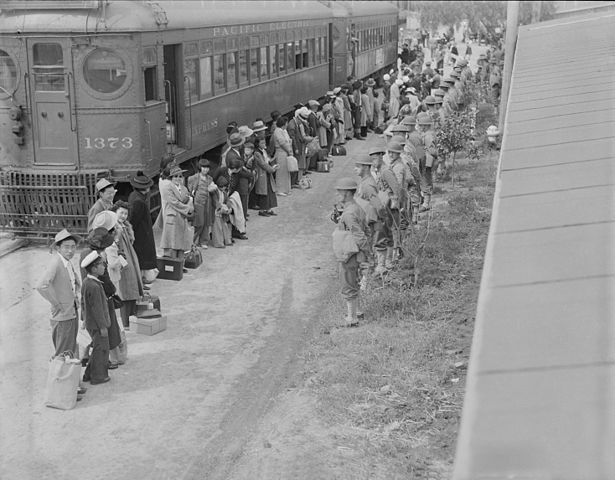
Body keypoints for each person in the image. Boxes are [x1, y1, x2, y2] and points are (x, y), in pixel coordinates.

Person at [36, 229, 82, 358]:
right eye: (66, 247)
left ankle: (69, 376)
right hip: (63, 314)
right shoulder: (56, 263)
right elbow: (41, 285)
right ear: (58, 248)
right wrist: (56, 303)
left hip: (71, 310)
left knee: (70, 346)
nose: (70, 251)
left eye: (73, 247)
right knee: (63, 351)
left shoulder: (66, 262)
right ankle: (61, 376)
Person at [331, 178, 370, 328]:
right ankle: (357, 311)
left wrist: (366, 252)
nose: (338, 193)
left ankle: (352, 318)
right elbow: (365, 229)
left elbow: (359, 234)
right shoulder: (356, 207)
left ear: (347, 193)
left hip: (350, 252)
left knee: (348, 282)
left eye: (340, 191)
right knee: (354, 280)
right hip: (355, 251)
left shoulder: (348, 213)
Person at [108, 201, 143, 330]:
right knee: (125, 290)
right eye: (121, 212)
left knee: (132, 286)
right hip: (121, 259)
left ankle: (131, 318)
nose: (123, 216)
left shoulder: (126, 226)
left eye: (126, 213)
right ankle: (125, 321)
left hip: (130, 256)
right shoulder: (114, 227)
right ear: (115, 213)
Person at [80, 251, 111, 385]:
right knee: (101, 350)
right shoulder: (94, 286)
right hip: (98, 325)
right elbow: (97, 309)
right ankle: (98, 376)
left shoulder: (87, 282)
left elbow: (84, 304)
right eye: (101, 264)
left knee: (97, 348)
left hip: (91, 323)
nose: (104, 267)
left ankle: (88, 374)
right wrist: (103, 326)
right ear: (94, 268)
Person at [157, 165, 194, 259]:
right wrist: (187, 208)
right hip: (172, 218)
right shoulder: (167, 187)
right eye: (176, 176)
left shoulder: (184, 188)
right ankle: (173, 265)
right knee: (172, 244)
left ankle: (180, 265)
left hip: (181, 218)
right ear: (171, 178)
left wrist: (190, 203)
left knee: (181, 243)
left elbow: (186, 199)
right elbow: (174, 202)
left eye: (180, 176)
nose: (178, 178)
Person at [127, 173, 157, 285]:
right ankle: (141, 280)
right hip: (141, 233)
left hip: (140, 231)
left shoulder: (133, 195)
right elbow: (134, 220)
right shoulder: (139, 201)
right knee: (142, 257)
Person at [188, 158, 215, 247]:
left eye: (207, 168)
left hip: (207, 203)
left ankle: (204, 241)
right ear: (200, 167)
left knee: (206, 222)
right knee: (199, 223)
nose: (205, 169)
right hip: (198, 203)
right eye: (203, 167)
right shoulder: (194, 178)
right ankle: (193, 241)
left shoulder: (210, 178)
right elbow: (190, 189)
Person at [252, 140, 279, 216]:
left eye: (264, 142)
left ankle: (268, 209)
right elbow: (262, 164)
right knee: (263, 192)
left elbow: (267, 161)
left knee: (270, 191)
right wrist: (271, 169)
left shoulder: (264, 151)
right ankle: (262, 210)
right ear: (258, 144)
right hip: (262, 174)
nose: (264, 144)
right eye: (262, 143)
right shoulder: (257, 153)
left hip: (267, 173)